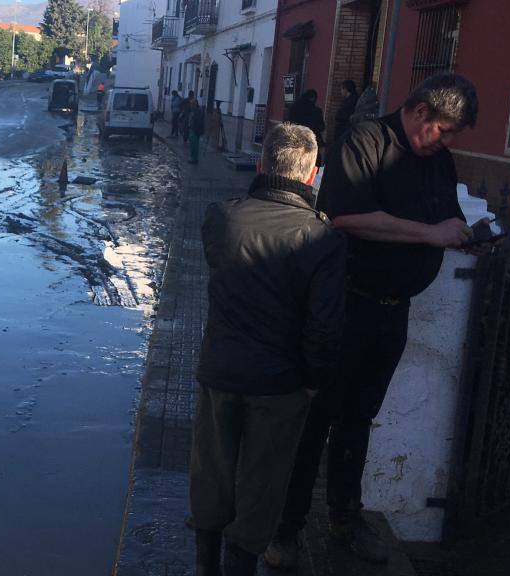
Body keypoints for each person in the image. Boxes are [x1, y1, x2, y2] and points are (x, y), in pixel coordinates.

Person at [263, 72, 481, 570]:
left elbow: (446, 220)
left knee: (359, 419)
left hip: (393, 313)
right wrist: (429, 234)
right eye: (444, 130)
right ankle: (287, 528)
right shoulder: (365, 142)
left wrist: (466, 235)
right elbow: (343, 217)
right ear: (422, 112)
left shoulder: (438, 161)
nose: (446, 142)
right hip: (348, 307)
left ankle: (346, 519)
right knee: (315, 420)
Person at [190, 122, 347, 576]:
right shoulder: (323, 239)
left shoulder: (222, 218)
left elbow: (218, 266)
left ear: (261, 165)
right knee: (262, 485)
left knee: (212, 473)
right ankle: (240, 565)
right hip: (279, 384)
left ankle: (205, 565)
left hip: (220, 371)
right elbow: (324, 327)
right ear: (312, 174)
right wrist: (315, 380)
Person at [287, 90, 326, 166]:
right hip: (311, 140)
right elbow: (321, 127)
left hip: (296, 140)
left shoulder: (294, 108)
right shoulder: (316, 111)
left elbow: (289, 123)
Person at [188, 96, 204, 163]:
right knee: (192, 144)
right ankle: (192, 157)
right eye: (191, 104)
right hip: (192, 129)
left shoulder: (198, 111)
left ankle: (194, 159)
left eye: (192, 104)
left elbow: (199, 122)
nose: (191, 106)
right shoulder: (193, 110)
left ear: (195, 104)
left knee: (195, 145)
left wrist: (197, 130)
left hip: (195, 130)